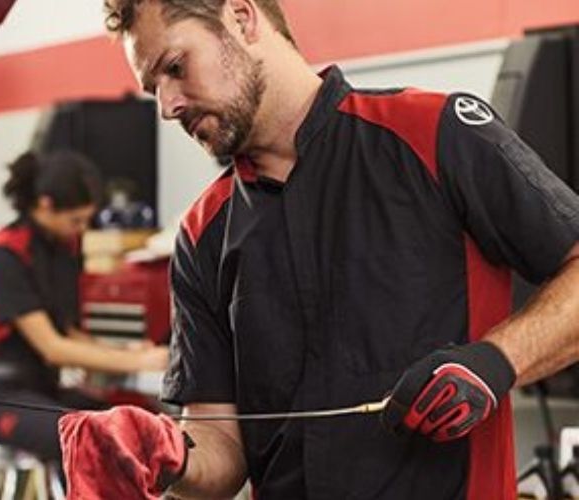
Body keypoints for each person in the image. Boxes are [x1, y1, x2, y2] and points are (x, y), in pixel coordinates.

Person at [57, 1, 579, 498]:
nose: (168, 106)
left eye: (175, 66)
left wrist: (497, 360)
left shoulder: (433, 135)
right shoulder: (202, 235)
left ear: (240, 18)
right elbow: (221, 452)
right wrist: (165, 450)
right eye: (154, 90)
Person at [0, 149, 169, 462]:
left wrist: (130, 353)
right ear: (45, 205)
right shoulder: (4, 254)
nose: (82, 229)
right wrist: (140, 362)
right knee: (83, 438)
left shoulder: (64, 248)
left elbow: (68, 332)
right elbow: (53, 348)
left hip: (44, 389)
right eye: (76, 220)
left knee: (140, 425)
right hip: (0, 397)